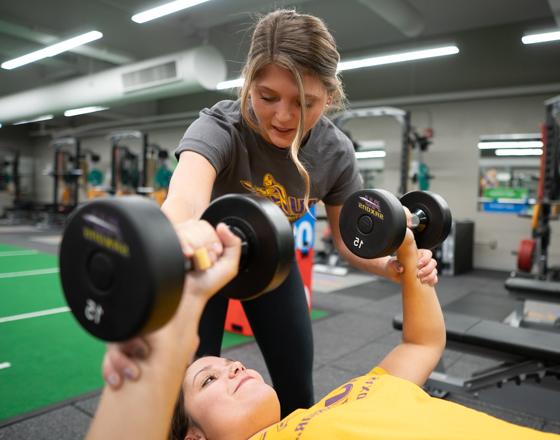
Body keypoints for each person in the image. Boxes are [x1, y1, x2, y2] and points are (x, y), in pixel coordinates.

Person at [102, 9, 437, 418]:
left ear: (329, 96)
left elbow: (352, 244)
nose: (283, 116)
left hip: (271, 268)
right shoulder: (220, 127)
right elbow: (184, 202)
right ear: (248, 84)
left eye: (305, 103)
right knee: (179, 405)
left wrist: (391, 266)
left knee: (297, 391)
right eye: (267, 97)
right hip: (199, 265)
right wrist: (174, 242)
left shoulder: (334, 153)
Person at [87, 221, 558, 440]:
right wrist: (158, 352)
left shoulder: (350, 395)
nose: (233, 366)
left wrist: (410, 251)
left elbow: (422, 342)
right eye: (208, 379)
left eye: (228, 362)